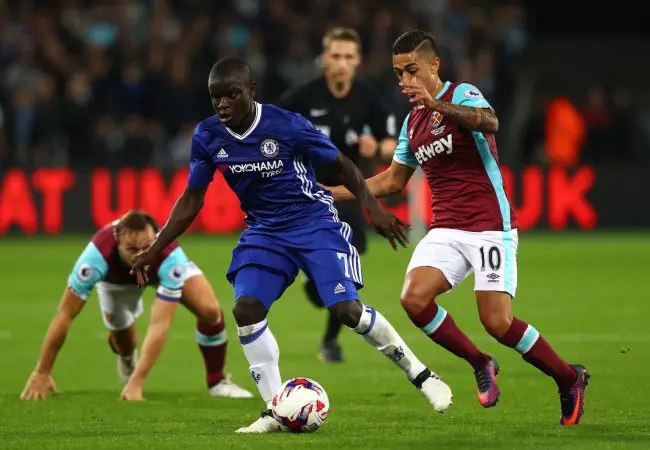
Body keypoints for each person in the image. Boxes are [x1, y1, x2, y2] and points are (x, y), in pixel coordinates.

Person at [130, 57, 453, 433]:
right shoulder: (208, 136)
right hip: (264, 231)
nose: (222, 105)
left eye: (231, 95)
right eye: (215, 97)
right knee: (246, 309)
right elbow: (191, 199)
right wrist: (155, 248)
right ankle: (275, 412)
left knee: (347, 311)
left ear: (251, 91)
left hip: (313, 222)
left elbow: (343, 165)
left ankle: (421, 375)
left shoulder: (286, 124)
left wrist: (373, 209)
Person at [328, 30, 590, 426]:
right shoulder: (413, 122)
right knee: (414, 299)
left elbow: (491, 122)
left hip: (489, 225)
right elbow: (393, 180)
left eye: (411, 70)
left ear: (434, 65)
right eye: (399, 73)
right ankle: (480, 362)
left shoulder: (462, 94)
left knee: (497, 322)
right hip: (447, 229)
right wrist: (329, 193)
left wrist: (438, 105)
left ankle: (569, 378)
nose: (404, 81)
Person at [20, 210, 252, 401]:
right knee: (124, 343)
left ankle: (217, 381)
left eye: (147, 247)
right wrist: (42, 371)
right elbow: (65, 314)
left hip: (160, 271)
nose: (141, 255)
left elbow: (160, 323)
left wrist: (137, 382)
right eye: (132, 250)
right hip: (116, 282)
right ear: (117, 243)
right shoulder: (96, 257)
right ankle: (126, 356)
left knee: (210, 311)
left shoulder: (170, 255)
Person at [279, 27, 397, 363]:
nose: (342, 63)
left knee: (345, 276)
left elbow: (393, 144)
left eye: (348, 56)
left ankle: (330, 340)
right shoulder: (303, 97)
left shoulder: (368, 98)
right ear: (324, 59)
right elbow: (272, 132)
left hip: (348, 196)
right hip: (308, 196)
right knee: (323, 287)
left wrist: (378, 148)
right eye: (336, 56)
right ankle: (315, 288)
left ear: (358, 60)